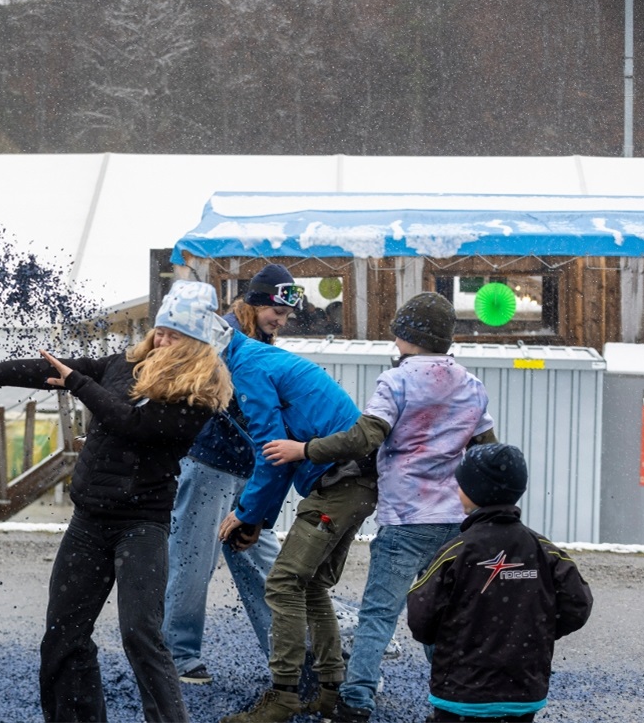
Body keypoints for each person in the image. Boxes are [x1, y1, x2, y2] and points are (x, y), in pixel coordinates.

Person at [0, 280, 234, 723]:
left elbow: (131, 424)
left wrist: (78, 383)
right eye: (161, 331)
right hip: (89, 521)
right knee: (63, 635)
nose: (162, 341)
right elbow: (47, 372)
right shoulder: (123, 365)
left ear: (197, 344)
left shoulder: (198, 395)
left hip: (142, 524)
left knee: (141, 634)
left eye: (175, 335)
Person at [266, 292, 498, 722]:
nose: (394, 342)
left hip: (406, 520)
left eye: (398, 334)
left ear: (407, 336)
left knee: (378, 615)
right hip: (454, 524)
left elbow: (363, 438)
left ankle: (355, 702)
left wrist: (304, 449)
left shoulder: (398, 381)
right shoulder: (471, 385)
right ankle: (453, 701)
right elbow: (488, 451)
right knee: (443, 617)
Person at [214, 329, 378, 723]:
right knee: (313, 586)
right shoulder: (257, 358)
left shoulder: (248, 369)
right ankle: (328, 691)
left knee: (284, 582)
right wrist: (258, 518)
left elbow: (271, 454)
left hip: (340, 480)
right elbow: (283, 453)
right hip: (356, 482)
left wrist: (243, 513)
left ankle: (283, 696)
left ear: (210, 353)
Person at [162, 264, 300, 684]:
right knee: (192, 558)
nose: (281, 320)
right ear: (254, 301)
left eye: (287, 315)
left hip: (250, 471)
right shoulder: (219, 334)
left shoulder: (262, 342)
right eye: (276, 310)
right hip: (208, 465)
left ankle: (285, 655)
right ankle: (177, 655)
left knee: (264, 564)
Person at [407, 443, 594, 722]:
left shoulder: (455, 552)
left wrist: (455, 639)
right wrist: (537, 632)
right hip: (522, 691)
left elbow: (421, 616)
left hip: (460, 693)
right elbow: (578, 604)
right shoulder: (544, 550)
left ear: (472, 492)